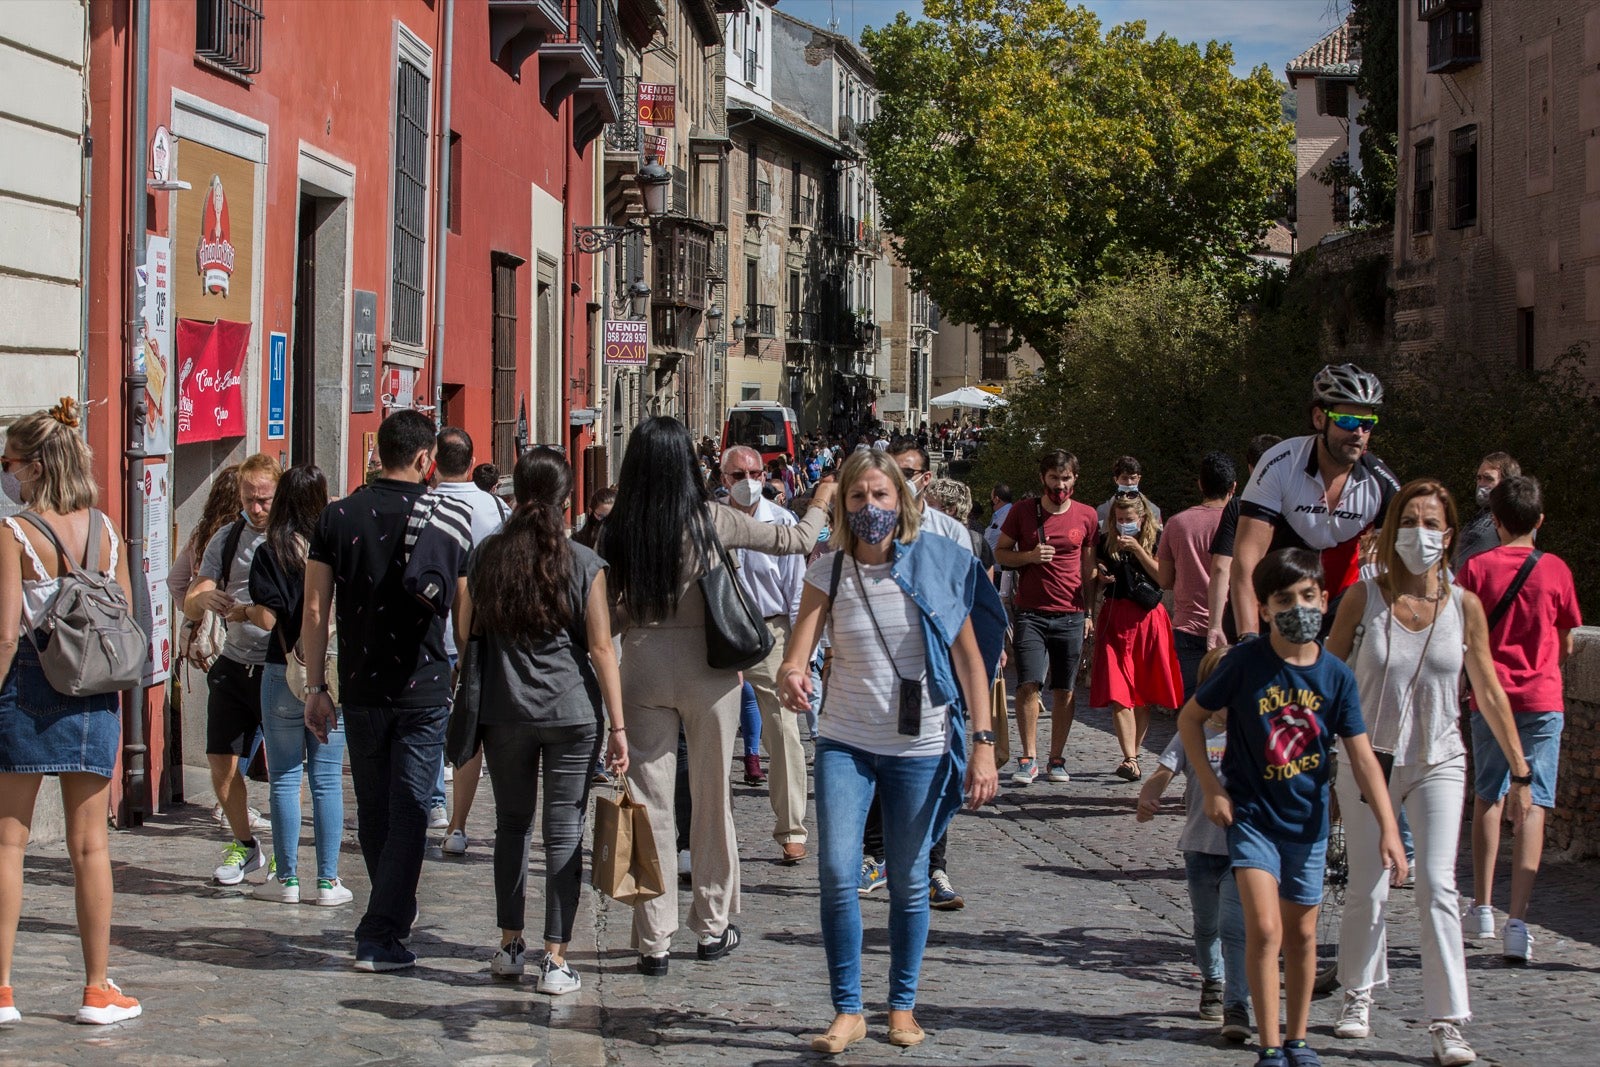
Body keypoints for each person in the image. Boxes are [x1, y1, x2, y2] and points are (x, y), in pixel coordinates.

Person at [777, 448, 1002, 1055]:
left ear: (899, 500)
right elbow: (795, 654)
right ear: (842, 506)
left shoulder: (931, 565)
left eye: (880, 495)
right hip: (846, 742)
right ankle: (848, 1008)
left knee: (907, 880)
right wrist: (792, 676)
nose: (870, 506)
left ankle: (901, 1005)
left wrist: (983, 745)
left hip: (920, 748)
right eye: (857, 497)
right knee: (835, 873)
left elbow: (971, 662)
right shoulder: (828, 571)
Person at [602, 417, 835, 977]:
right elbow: (797, 541)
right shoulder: (711, 519)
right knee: (712, 802)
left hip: (641, 666)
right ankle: (710, 925)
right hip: (709, 672)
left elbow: (607, 613)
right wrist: (822, 497)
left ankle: (651, 940)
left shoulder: (619, 527)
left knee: (651, 805)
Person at [1324, 479, 1534, 1066]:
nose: (1422, 533)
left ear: (1449, 533)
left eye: (1432, 523)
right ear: (1394, 531)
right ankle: (1358, 995)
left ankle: (1448, 1022)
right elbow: (1327, 672)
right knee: (1367, 885)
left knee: (1439, 887)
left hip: (1440, 759)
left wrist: (1520, 771)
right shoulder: (1363, 599)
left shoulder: (1464, 606)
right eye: (1410, 521)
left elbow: (1488, 689)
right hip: (1368, 762)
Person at [1179, 548, 1406, 1067]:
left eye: (1307, 597)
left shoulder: (1336, 677)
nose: (1297, 608)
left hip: (1307, 821)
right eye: (1284, 599)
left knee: (1303, 934)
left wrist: (1388, 827)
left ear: (1325, 601)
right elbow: (1191, 719)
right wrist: (1212, 787)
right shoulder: (1245, 664)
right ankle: (1270, 1044)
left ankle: (1298, 1037)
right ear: (1262, 609)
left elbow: (1363, 757)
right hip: (1252, 818)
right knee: (1265, 928)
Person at [301, 409, 475, 972]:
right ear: (426, 460)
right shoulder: (447, 518)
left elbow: (313, 606)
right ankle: (380, 930)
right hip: (422, 683)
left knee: (375, 807)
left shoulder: (336, 516)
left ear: (379, 452)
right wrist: (466, 667)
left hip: (358, 683)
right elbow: (465, 611)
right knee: (413, 809)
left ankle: (391, 914)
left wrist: (314, 685)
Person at [453, 448, 627, 996]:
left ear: (515, 492)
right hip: (571, 712)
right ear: (567, 499)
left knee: (511, 826)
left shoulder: (486, 556)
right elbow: (600, 648)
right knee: (562, 833)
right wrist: (618, 727)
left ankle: (509, 945)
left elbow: (465, 634)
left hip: (505, 710)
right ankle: (556, 958)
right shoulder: (583, 562)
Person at [0, 400, 143, 1026]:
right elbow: (126, 618)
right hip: (93, 693)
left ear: (31, 467)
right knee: (90, 847)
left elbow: (7, 632)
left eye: (7, 462)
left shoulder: (14, 532)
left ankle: (1, 990)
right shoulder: (108, 531)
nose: (5, 473)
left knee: (8, 843)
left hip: (28, 688)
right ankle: (95, 989)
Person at [1457, 475, 1582, 964]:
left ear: (1495, 520)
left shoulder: (1476, 569)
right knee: (1535, 802)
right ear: (1540, 521)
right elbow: (1568, 639)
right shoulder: (1556, 570)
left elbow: (1462, 638)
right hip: (1541, 697)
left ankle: (1482, 906)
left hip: (1490, 700)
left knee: (1488, 794)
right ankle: (1519, 921)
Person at [244, 464, 352, 907]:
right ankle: (327, 881)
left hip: (280, 668)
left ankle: (286, 879)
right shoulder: (339, 546)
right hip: (330, 670)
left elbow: (268, 614)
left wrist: (240, 612)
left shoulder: (270, 551)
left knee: (285, 779)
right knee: (327, 779)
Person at [1231, 365, 1399, 640]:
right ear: (1320, 418)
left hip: (1337, 616)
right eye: (1346, 421)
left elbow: (1396, 569)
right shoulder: (1280, 464)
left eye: (1367, 423)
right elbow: (1247, 559)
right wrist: (1247, 636)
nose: (1358, 432)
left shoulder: (1381, 483)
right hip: (1273, 608)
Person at [1137, 645, 1248, 1041]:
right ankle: (1212, 981)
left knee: (1234, 927)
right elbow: (1162, 772)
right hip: (1200, 848)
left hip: (1243, 849)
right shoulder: (1192, 733)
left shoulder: (1253, 734)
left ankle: (1237, 1002)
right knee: (1206, 927)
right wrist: (1148, 795)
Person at [184, 452, 281, 885]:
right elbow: (192, 594)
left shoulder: (293, 537)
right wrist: (203, 599)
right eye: (250, 499)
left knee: (284, 768)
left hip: (277, 666)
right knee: (220, 761)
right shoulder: (227, 536)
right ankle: (246, 846)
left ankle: (286, 853)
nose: (257, 508)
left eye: (265, 499)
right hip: (234, 663)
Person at [717, 445, 810, 863]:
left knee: (784, 731)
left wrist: (799, 654)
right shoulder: (711, 521)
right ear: (724, 480)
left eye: (755, 473)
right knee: (712, 735)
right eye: (739, 475)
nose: (749, 482)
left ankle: (791, 828)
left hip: (771, 630)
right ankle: (716, 832)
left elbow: (797, 589)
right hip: (719, 631)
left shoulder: (784, 521)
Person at [994, 450, 1099, 785]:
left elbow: (1088, 567)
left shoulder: (1087, 515)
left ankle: (1056, 758)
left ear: (1075, 479)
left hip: (1070, 613)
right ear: (1043, 478)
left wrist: (1090, 612)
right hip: (1031, 614)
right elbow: (1000, 554)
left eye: (1065, 478)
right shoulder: (1023, 513)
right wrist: (1029, 556)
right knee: (1028, 684)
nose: (1060, 485)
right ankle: (1029, 758)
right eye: (1054, 478)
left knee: (1064, 689)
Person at [431, 428, 509, 856]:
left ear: (433, 461)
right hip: (480, 635)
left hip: (430, 631)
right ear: (471, 458)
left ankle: (437, 807)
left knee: (433, 725)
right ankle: (466, 823)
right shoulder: (496, 507)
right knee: (473, 728)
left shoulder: (424, 505)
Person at [1090, 492, 1183, 781]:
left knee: (1142, 695)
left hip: (1147, 620)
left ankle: (1133, 755)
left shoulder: (1157, 541)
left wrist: (1139, 551)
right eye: (1119, 520)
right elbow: (1092, 569)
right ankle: (1130, 757)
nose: (1123, 525)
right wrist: (1100, 573)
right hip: (1116, 618)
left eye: (1128, 520)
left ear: (1141, 518)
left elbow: (1164, 579)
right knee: (1119, 694)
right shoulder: (1106, 541)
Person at [1159, 452, 1236, 698]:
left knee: (1192, 706)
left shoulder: (1177, 523)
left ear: (1200, 484)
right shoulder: (1240, 524)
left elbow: (1165, 580)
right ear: (1233, 487)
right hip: (1230, 624)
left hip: (1188, 625)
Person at [1206, 435, 1282, 650]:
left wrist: (1214, 624)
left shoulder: (1238, 506)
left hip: (1242, 615)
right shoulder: (1298, 504)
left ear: (1250, 468)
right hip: (1286, 610)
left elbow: (1221, 567)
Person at [1452, 452, 1519, 569]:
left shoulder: (1511, 518)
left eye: (1488, 479)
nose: (1481, 484)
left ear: (1507, 484)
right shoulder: (1481, 515)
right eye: (1479, 478)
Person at [1096, 454, 1163, 525]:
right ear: (1116, 479)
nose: (1129, 482)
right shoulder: (1104, 510)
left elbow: (1158, 535)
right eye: (1124, 478)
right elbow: (1102, 535)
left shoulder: (1153, 510)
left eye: (1133, 478)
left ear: (1138, 478)